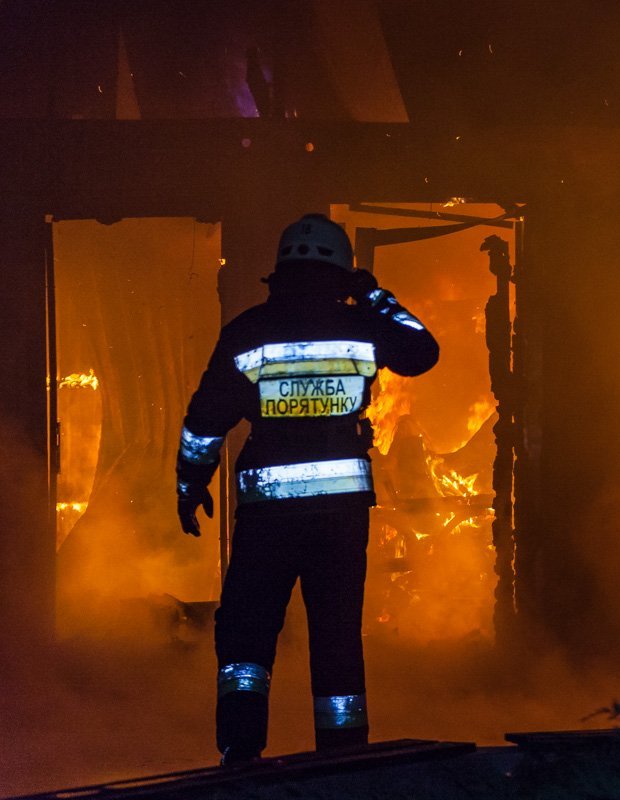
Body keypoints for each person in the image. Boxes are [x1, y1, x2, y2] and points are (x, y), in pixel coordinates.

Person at [175, 213, 438, 764]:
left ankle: (240, 751)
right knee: (337, 634)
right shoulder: (362, 326)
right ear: (342, 274)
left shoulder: (247, 332)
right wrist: (373, 296)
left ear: (280, 273)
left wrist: (189, 482)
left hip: (266, 515)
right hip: (340, 517)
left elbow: (205, 420)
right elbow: (421, 351)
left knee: (247, 635)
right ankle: (343, 760)